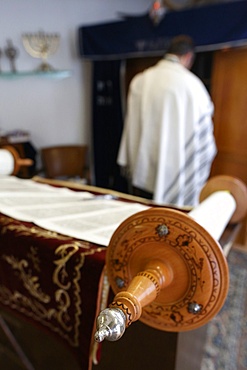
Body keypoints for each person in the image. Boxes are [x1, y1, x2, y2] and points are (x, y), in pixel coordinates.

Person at [117, 35, 217, 206]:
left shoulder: (141, 80)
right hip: (177, 171)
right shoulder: (193, 85)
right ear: (188, 57)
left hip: (144, 172)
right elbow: (204, 140)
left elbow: (131, 127)